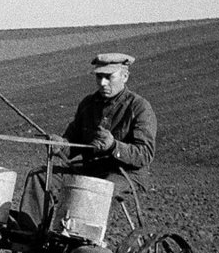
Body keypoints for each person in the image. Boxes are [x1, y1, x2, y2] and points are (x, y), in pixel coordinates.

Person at [17, 52, 157, 234]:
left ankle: (83, 245)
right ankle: (31, 239)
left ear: (125, 76)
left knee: (99, 189)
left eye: (108, 77)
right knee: (40, 176)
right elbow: (71, 145)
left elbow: (145, 154)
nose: (102, 83)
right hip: (90, 169)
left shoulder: (139, 107)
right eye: (99, 77)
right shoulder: (88, 104)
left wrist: (114, 146)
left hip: (126, 174)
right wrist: (60, 145)